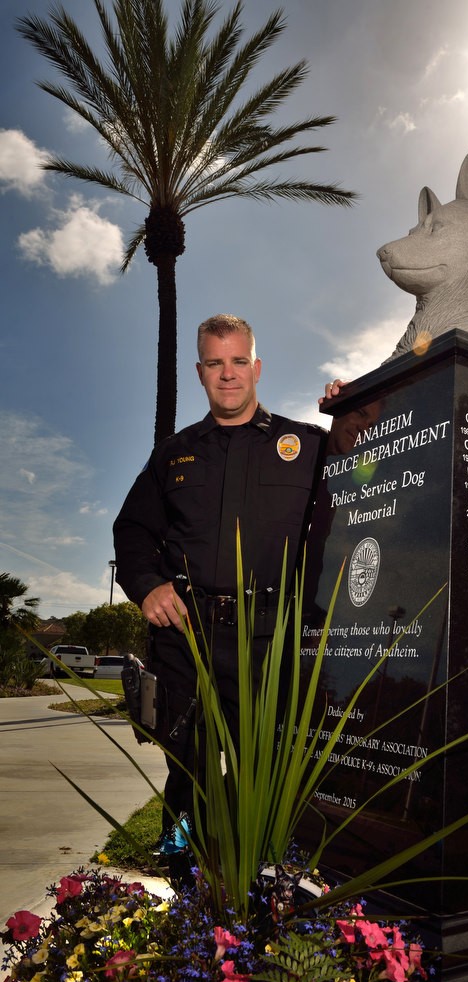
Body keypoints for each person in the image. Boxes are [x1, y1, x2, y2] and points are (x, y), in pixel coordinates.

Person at [113, 314, 327, 880]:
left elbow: (369, 478)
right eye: (215, 363)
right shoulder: (173, 455)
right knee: (188, 768)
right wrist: (147, 586)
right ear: (201, 372)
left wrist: (353, 407)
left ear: (256, 368)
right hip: (188, 639)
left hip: (269, 641)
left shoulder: (307, 445)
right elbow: (131, 529)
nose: (227, 374)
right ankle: (184, 890)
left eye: (238, 361)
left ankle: (260, 887)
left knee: (268, 766)